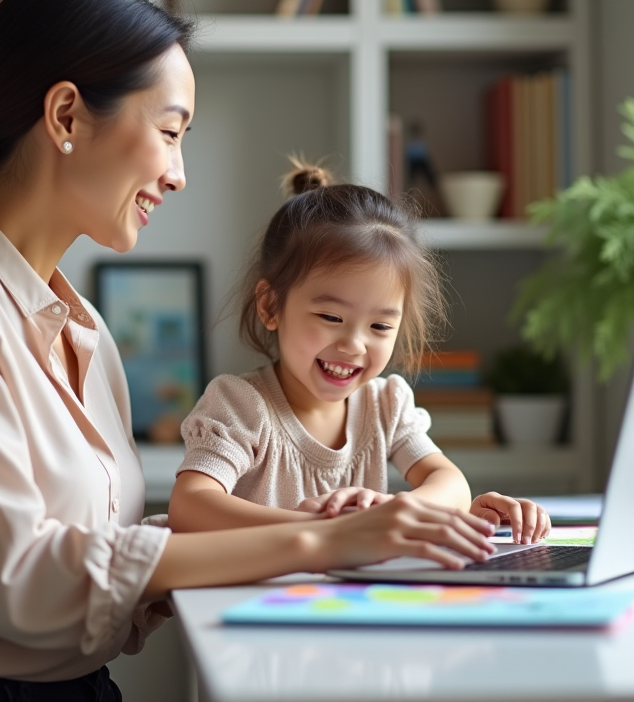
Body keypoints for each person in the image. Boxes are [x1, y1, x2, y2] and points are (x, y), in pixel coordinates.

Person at [0, 0, 499, 702]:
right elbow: (23, 578)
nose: (179, 175)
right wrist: (321, 542)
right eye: (170, 132)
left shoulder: (84, 330)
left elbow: (92, 558)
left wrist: (303, 526)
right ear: (66, 116)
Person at [168, 159, 552, 544]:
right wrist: (329, 531)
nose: (354, 344)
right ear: (270, 306)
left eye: (380, 326)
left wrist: (401, 516)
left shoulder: (384, 405)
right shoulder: (242, 406)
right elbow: (191, 506)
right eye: (331, 317)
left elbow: (449, 483)